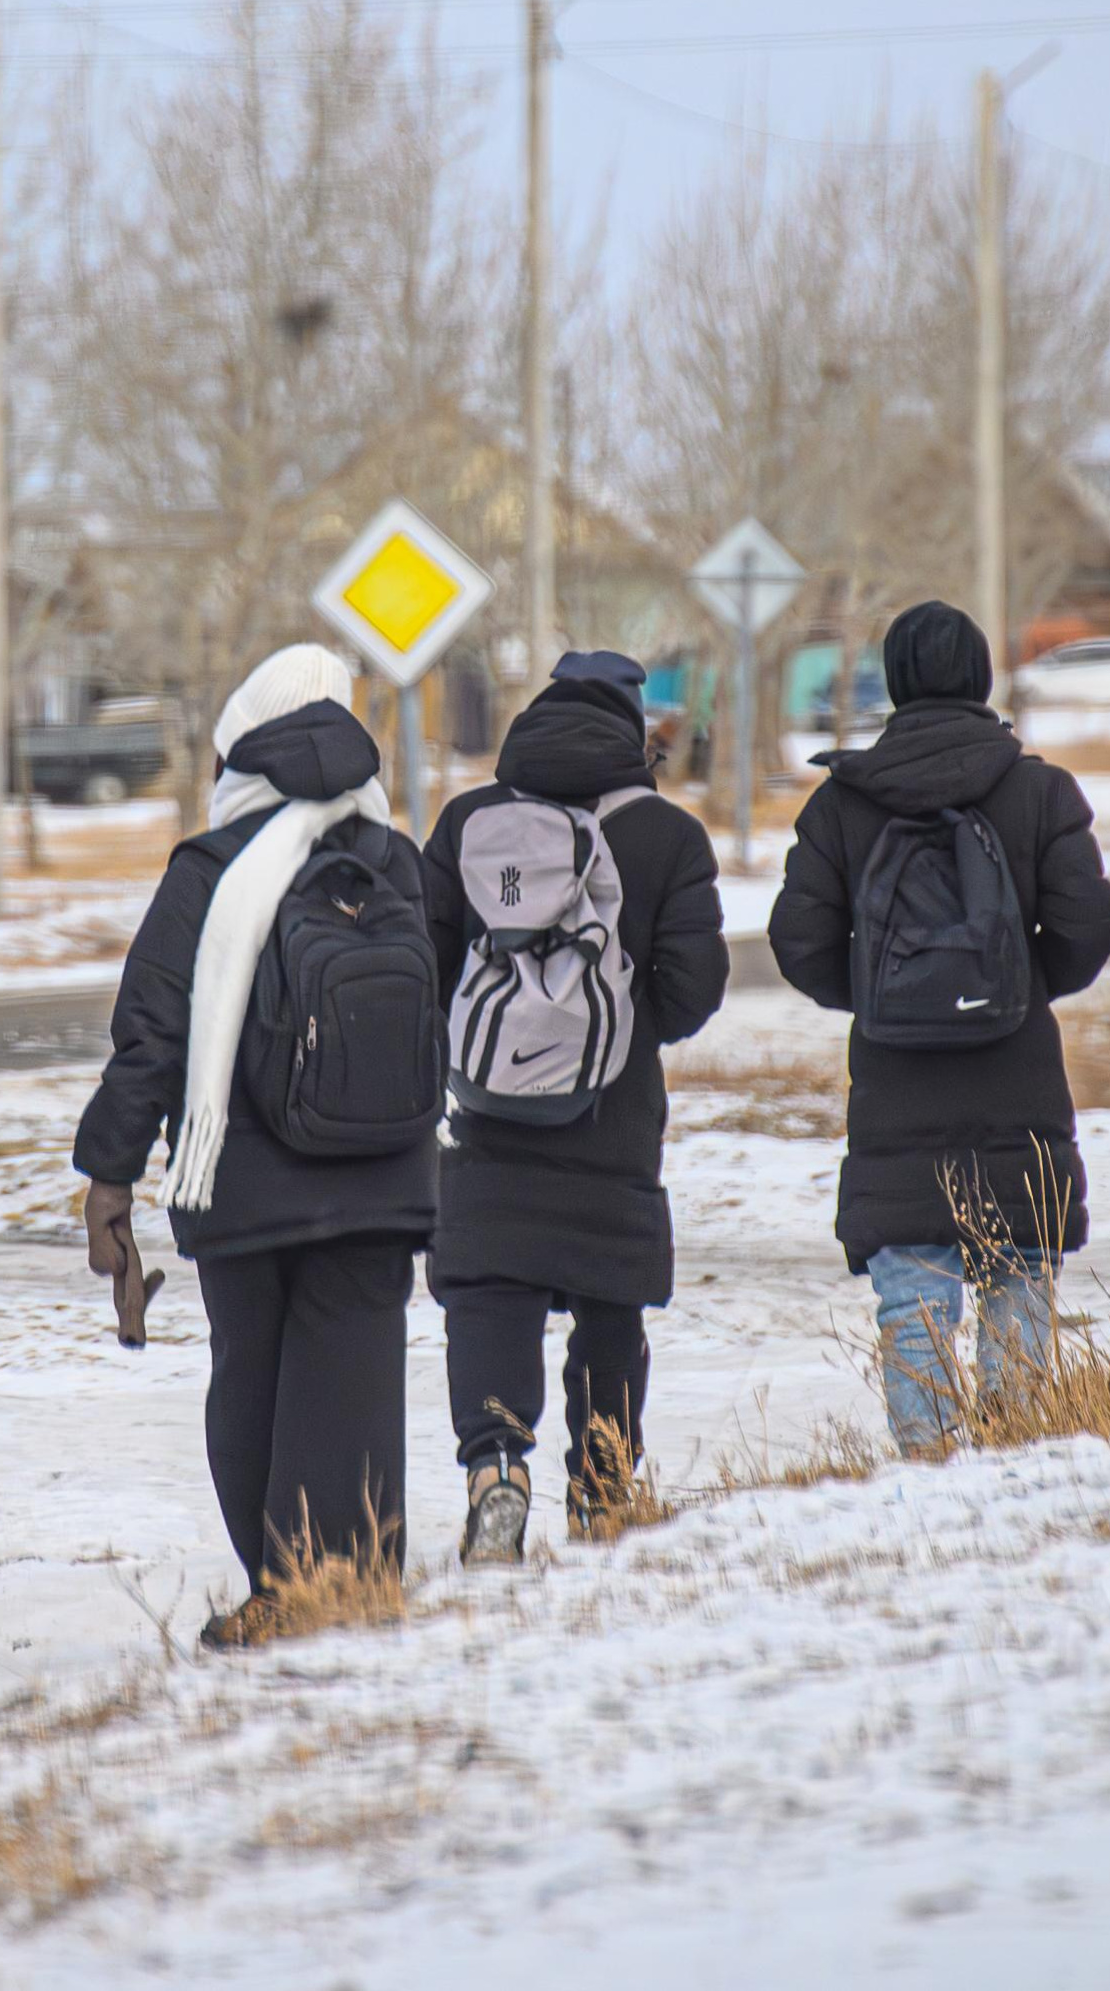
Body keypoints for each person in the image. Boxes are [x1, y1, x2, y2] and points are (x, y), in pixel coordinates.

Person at [73, 645, 439, 1647]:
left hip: (244, 1176)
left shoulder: (208, 867)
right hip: (383, 1169)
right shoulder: (394, 855)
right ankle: (351, 1576)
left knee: (255, 1384)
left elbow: (151, 1032)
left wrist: (111, 1169)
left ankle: (288, 1587)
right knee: (355, 1376)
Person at [765, 601, 1110, 1452]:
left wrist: (885, 997)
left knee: (912, 1296)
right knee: (1019, 1280)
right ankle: (1018, 1459)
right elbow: (1088, 926)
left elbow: (797, 941)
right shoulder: (1039, 791)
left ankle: (925, 1469)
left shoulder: (841, 806)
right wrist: (1019, 989)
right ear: (981, 676)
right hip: (1018, 1089)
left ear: (893, 683)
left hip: (896, 1099)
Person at [419, 652, 728, 1559]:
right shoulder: (668, 838)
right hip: (616, 1121)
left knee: (489, 1291)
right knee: (609, 1303)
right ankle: (600, 1486)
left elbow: (425, 966)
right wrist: (615, 1040)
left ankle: (495, 1467)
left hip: (486, 1114)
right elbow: (698, 988)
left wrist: (487, 1047)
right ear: (635, 735)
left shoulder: (470, 823)